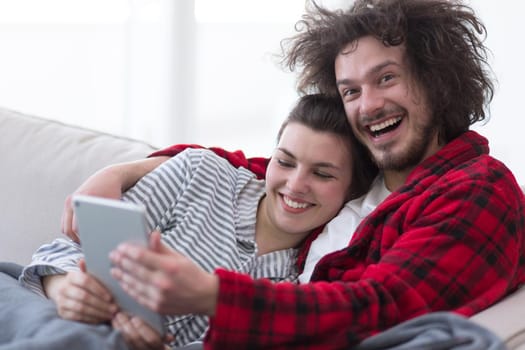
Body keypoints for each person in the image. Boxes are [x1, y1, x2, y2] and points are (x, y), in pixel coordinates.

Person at [62, 0, 525, 348]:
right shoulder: (365, 180)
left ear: (437, 79)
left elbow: (382, 308)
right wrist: (125, 171)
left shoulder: (478, 190)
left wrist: (214, 295)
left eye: (386, 78)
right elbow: (279, 172)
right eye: (350, 90)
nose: (368, 104)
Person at [18, 93, 376, 349]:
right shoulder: (201, 173)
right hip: (53, 315)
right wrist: (66, 289)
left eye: (322, 174)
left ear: (352, 191)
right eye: (284, 161)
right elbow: (64, 248)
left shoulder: (302, 285)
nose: (295, 185)